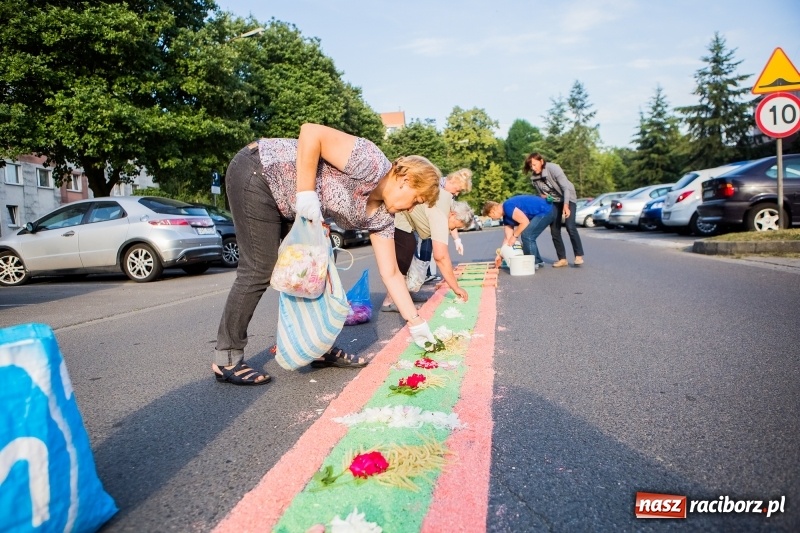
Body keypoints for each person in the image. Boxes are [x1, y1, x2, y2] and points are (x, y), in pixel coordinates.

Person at [213, 123, 440, 386]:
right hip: (259, 172)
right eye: (416, 200)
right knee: (259, 268)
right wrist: (306, 195)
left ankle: (317, 348)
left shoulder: (382, 217)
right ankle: (226, 357)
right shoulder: (371, 162)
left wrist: (416, 322)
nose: (411, 208)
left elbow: (390, 273)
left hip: (290, 201)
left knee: (316, 272)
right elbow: (311, 132)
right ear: (406, 180)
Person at [381, 199, 473, 311]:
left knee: (408, 254)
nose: (453, 229)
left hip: (404, 219)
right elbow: (441, 257)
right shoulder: (441, 215)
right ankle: (390, 301)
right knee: (403, 260)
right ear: (453, 215)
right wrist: (455, 287)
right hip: (398, 219)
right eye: (456, 226)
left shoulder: (445, 207)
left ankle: (406, 295)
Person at [523, 153, 585, 267]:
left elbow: (565, 188)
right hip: (554, 202)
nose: (533, 168)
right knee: (555, 230)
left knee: (570, 226)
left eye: (534, 165)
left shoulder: (553, 168)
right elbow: (541, 194)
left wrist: (566, 206)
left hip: (568, 197)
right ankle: (562, 259)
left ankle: (578, 255)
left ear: (541, 161)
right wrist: (544, 197)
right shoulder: (535, 178)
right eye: (531, 166)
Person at [418, 168, 473, 283]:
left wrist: (457, 239)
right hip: (412, 218)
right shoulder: (434, 185)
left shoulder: (449, 195)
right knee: (411, 250)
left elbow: (450, 219)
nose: (457, 193)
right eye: (458, 190)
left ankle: (421, 276)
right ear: (452, 181)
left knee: (427, 241)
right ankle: (418, 277)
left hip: (426, 223)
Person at [482, 195, 554, 268]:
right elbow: (508, 238)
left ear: (493, 210)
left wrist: (514, 236)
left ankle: (533, 262)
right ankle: (538, 261)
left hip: (546, 210)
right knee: (527, 235)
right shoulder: (506, 217)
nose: (492, 218)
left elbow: (525, 222)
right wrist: (500, 255)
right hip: (545, 211)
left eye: (490, 216)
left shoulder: (507, 206)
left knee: (527, 235)